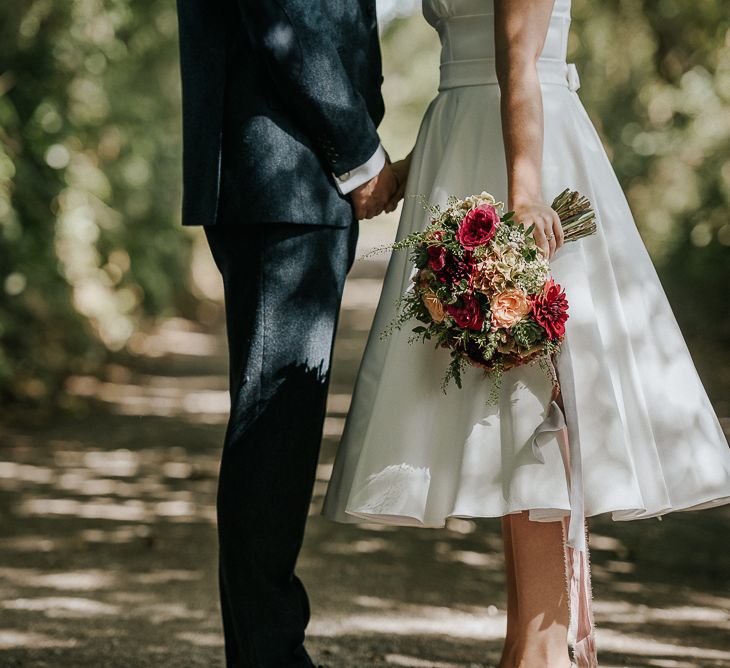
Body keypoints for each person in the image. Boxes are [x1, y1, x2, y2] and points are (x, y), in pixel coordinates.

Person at [323, 1, 730, 666]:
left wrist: (523, 201)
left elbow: (519, 69)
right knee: (495, 403)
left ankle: (541, 650)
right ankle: (529, 645)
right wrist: (408, 167)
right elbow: (471, 70)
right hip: (462, 147)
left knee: (532, 397)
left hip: (528, 158)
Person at [175, 1, 396, 666]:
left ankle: (261, 650)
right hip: (287, 167)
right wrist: (357, 149)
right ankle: (270, 653)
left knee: (276, 421)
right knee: (276, 424)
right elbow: (280, 14)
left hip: (278, 170)